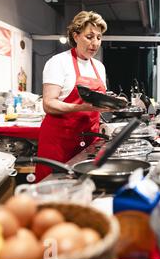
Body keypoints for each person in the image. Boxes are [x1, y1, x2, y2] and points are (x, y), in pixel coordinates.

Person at [35, 11, 113, 182]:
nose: (95, 43)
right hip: (60, 141)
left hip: (89, 140)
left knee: (83, 188)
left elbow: (97, 102)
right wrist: (81, 107)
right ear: (75, 36)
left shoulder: (99, 67)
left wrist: (112, 105)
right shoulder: (58, 62)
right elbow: (48, 104)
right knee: (54, 189)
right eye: (89, 36)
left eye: (99, 38)